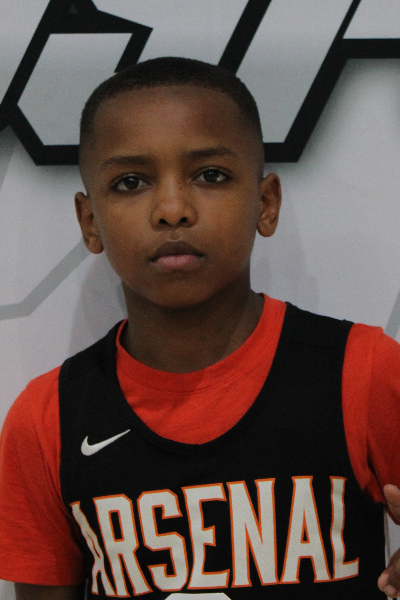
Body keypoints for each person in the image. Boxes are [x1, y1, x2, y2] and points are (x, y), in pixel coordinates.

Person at [0, 56, 400, 600]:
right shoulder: (48, 418)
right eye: (131, 182)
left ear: (266, 203)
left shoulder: (363, 371)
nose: (172, 209)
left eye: (210, 175)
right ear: (90, 222)